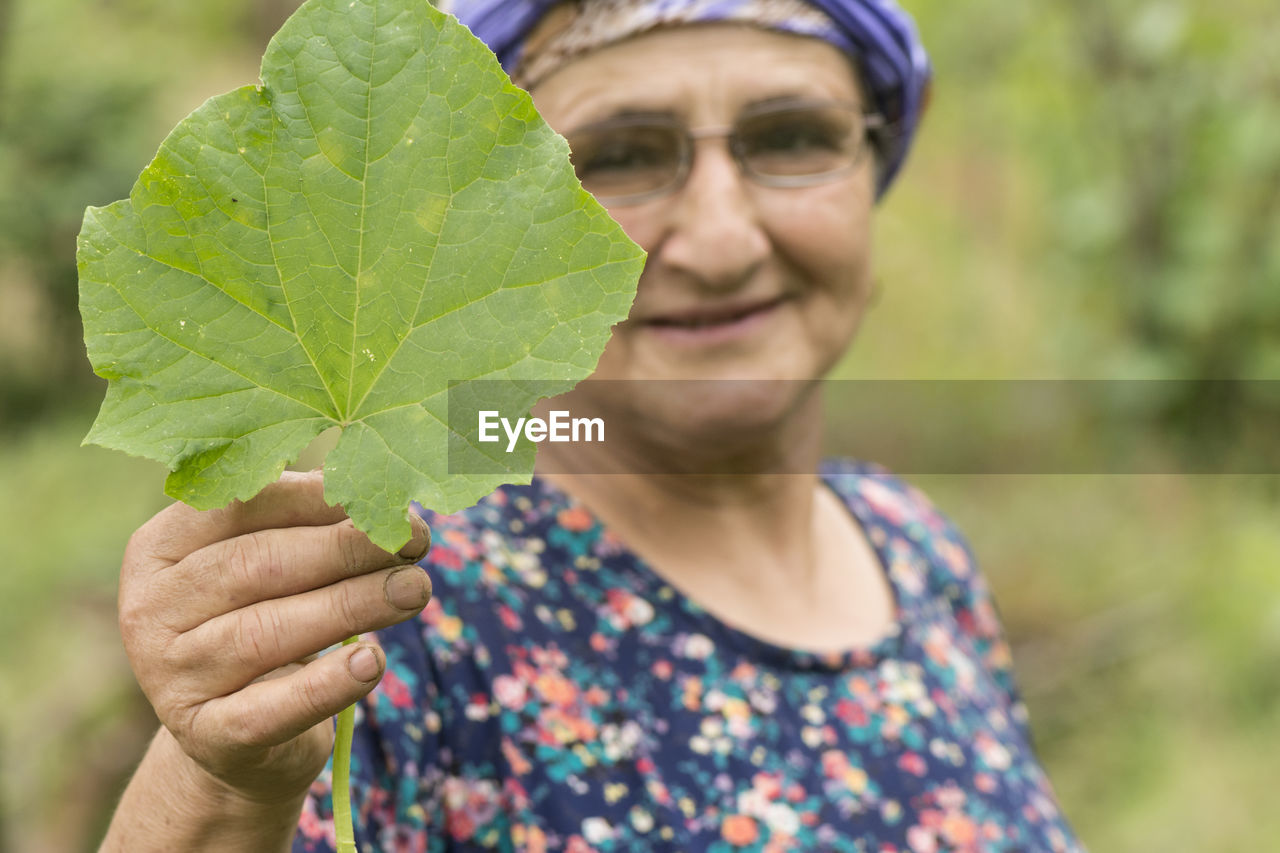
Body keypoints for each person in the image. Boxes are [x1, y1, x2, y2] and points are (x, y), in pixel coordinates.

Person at [98, 0, 1083, 851]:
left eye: (789, 138)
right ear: (474, 224)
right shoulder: (405, 593)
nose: (723, 239)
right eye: (618, 156)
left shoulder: (911, 545)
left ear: (875, 159)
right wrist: (222, 784)